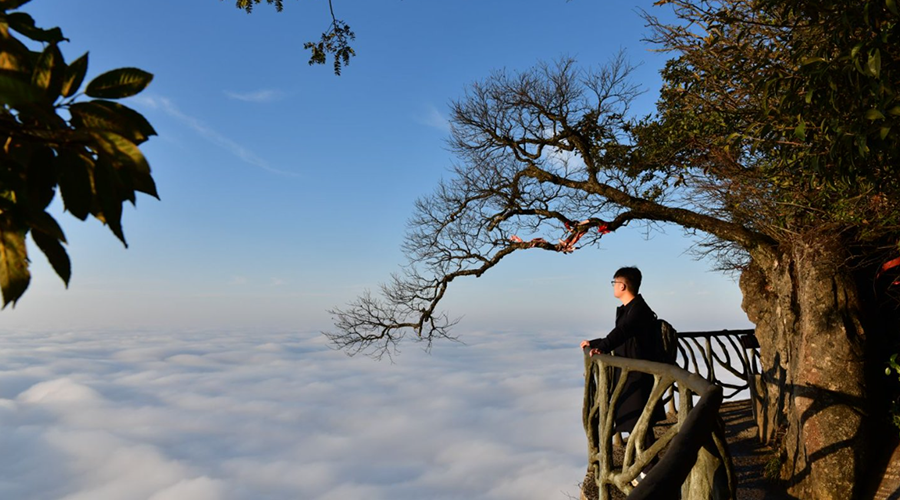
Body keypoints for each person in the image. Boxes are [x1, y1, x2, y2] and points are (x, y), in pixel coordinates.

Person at [580, 267, 666, 483]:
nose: (613, 286)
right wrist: (596, 343)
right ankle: (645, 467)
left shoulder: (637, 310)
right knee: (636, 421)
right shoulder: (632, 308)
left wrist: (603, 346)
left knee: (640, 421)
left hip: (639, 375)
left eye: (614, 282)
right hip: (633, 372)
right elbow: (624, 335)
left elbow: (624, 331)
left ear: (623, 285)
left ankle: (650, 472)